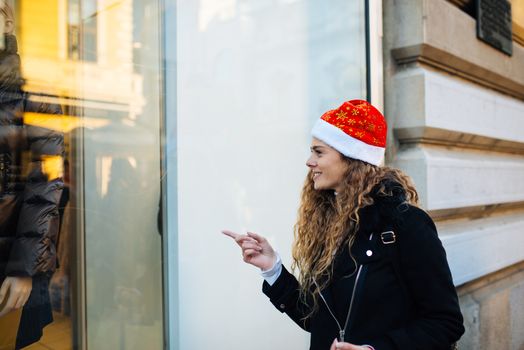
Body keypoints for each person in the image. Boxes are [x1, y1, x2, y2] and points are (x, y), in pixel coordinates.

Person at [223, 100, 464, 350]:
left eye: (319, 152)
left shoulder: (406, 224)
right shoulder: (329, 223)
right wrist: (272, 268)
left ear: (351, 157)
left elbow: (445, 323)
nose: (309, 161)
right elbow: (317, 320)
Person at [0, 2, 64, 348]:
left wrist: (23, 269)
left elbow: (45, 184)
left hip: (6, 257)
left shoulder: (33, 88)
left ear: (7, 20)